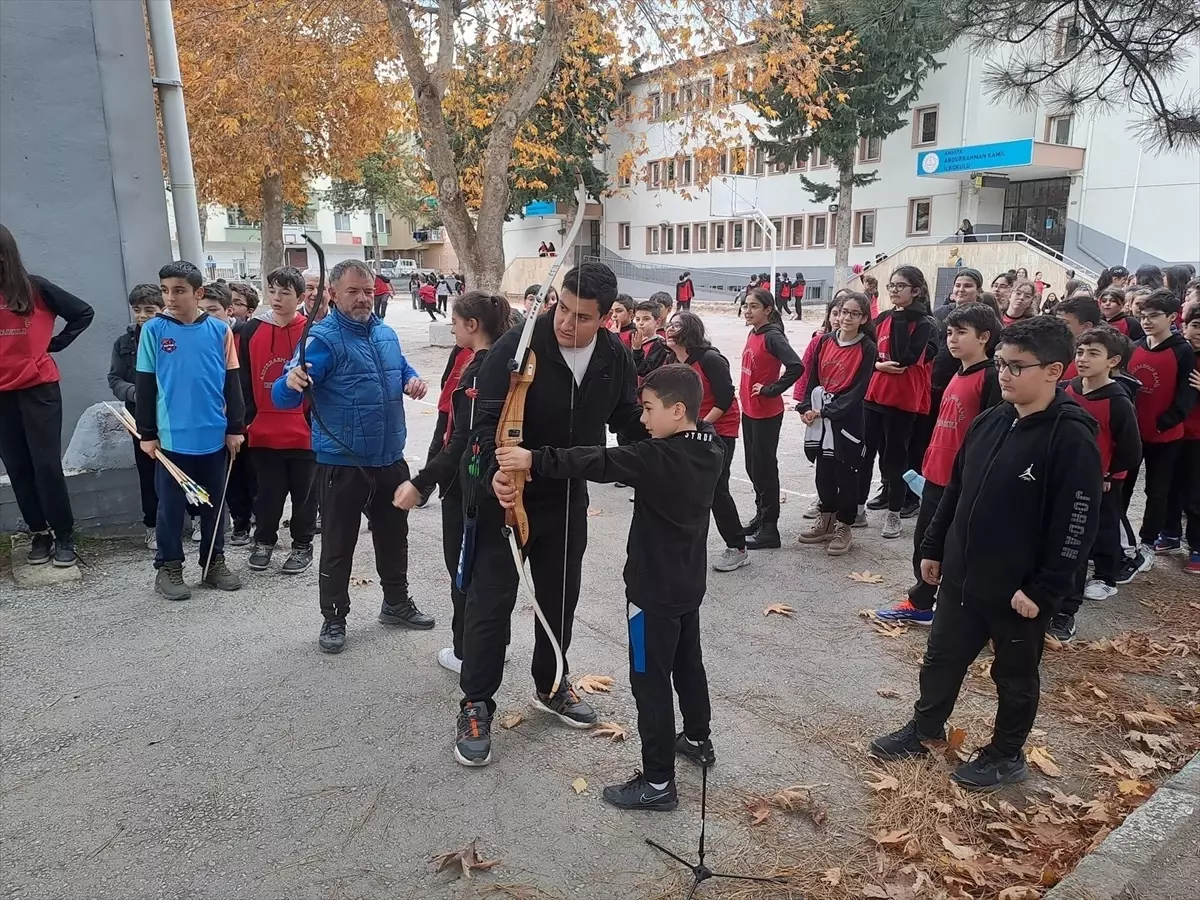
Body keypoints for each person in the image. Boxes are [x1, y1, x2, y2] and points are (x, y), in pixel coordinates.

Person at [870, 316, 1102, 790]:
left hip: (1018, 590)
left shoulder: (1071, 435)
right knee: (941, 657)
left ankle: (1005, 753)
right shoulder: (992, 420)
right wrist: (933, 547)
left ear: (1055, 370)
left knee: (1014, 676)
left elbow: (1077, 522)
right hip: (962, 574)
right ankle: (925, 727)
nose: (1005, 374)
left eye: (1018, 367)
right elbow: (955, 491)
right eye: (1001, 363)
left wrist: (1045, 588)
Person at [495, 364, 720, 809]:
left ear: (678, 411)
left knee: (649, 682)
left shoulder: (658, 458)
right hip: (687, 585)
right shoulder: (713, 447)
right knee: (687, 663)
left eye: (649, 409)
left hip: (651, 593)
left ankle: (658, 784)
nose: (642, 419)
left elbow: (599, 460)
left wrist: (532, 458)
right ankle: (697, 739)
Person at [451, 262, 648, 768]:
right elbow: (482, 424)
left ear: (607, 318)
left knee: (560, 598)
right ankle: (476, 702)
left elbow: (627, 419)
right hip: (508, 496)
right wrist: (490, 473)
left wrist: (666, 446)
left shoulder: (614, 358)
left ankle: (552, 683)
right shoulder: (518, 345)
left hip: (565, 498)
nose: (565, 322)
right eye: (562, 307)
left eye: (581, 316)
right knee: (490, 603)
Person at [273, 259, 433, 653]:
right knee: (339, 543)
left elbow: (401, 369)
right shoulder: (321, 340)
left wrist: (412, 380)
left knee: (395, 538)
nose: (363, 298)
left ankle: (395, 603)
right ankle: (333, 617)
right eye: (353, 291)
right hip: (342, 462)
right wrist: (289, 381)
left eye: (368, 291)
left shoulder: (387, 334)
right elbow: (284, 391)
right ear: (332, 294)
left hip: (389, 458)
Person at [395, 292, 513, 673]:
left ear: (472, 326)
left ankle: (468, 651)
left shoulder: (480, 371)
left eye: (456, 322)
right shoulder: (507, 363)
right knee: (488, 569)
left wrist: (421, 481)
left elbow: (462, 440)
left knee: (465, 568)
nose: (451, 327)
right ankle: (493, 643)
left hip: (471, 484)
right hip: (493, 479)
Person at [878, 303, 1003, 625]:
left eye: (962, 333)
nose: (952, 339)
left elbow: (990, 435)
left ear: (985, 337)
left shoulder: (990, 377)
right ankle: (921, 601)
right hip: (936, 475)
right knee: (925, 544)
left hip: (961, 481)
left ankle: (956, 609)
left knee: (956, 548)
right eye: (949, 333)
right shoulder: (956, 373)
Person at [136, 261, 244, 599]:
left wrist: (235, 427)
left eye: (179, 290)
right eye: (165, 290)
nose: (170, 297)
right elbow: (145, 384)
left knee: (214, 504)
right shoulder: (153, 331)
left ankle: (213, 562)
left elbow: (232, 382)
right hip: (171, 438)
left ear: (198, 293)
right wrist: (147, 432)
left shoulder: (219, 330)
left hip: (213, 434)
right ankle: (168, 568)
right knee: (170, 508)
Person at [0, 225, 94, 567]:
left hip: (38, 389)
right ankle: (39, 533)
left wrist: (53, 344)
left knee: (45, 466)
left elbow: (83, 312)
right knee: (17, 466)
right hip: (2, 395)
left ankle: (65, 535)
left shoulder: (34, 288)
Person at [1059, 328, 1141, 638]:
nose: (1082, 359)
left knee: (1079, 542)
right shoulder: (1068, 389)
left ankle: (1068, 609)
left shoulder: (1118, 401)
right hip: (1062, 477)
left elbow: (1131, 450)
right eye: (1080, 352)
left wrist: (1108, 475)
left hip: (1099, 483)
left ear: (1113, 361)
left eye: (1093, 354)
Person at [239, 266, 317, 575]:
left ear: (299, 298)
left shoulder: (313, 330)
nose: (277, 298)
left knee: (305, 494)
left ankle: (302, 545)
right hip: (263, 430)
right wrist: (247, 419)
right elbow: (241, 377)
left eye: (285, 292)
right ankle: (264, 541)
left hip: (304, 430)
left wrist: (314, 421)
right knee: (268, 493)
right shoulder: (251, 330)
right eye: (272, 291)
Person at [665, 311, 748, 572]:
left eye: (676, 325)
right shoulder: (671, 359)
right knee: (686, 486)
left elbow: (725, 399)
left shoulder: (711, 359)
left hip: (719, 428)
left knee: (716, 487)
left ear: (690, 330)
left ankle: (737, 547)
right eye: (669, 324)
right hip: (692, 428)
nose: (669, 329)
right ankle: (684, 543)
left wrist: (701, 427)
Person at [795, 292, 877, 556]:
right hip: (821, 414)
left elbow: (858, 390)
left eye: (854, 314)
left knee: (846, 470)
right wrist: (806, 406)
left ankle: (845, 524)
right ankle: (827, 518)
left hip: (847, 418)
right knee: (824, 469)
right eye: (843, 312)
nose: (846, 318)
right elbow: (813, 379)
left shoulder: (867, 348)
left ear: (864, 318)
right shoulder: (824, 341)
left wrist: (827, 411)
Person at [863, 266, 936, 540]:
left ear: (915, 291)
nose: (893, 290)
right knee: (867, 453)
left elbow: (903, 357)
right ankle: (858, 508)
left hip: (903, 401)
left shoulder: (925, 324)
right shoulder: (882, 318)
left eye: (900, 286)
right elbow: (869, 354)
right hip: (874, 396)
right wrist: (878, 366)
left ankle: (895, 513)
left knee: (896, 459)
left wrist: (905, 316)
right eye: (891, 285)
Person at [1128, 289, 1197, 556]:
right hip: (1133, 434)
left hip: (1166, 436)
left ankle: (1148, 540)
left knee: (1157, 491)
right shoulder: (1133, 347)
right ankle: (1121, 539)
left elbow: (1185, 397)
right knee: (1125, 488)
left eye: (1154, 316)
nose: (1146, 321)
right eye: (1143, 315)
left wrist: (1162, 423)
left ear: (1172, 317)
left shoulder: (1183, 352)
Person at [739, 288, 804, 550]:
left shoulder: (773, 336)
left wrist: (771, 389)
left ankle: (770, 529)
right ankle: (761, 516)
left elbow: (796, 366)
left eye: (754, 306)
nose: (748, 310)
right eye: (746, 306)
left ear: (767, 310)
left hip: (766, 413)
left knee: (765, 469)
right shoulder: (753, 332)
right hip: (749, 410)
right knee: (752, 468)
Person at [198, 281, 255, 544]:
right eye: (202, 310)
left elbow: (247, 379)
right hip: (213, 418)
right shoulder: (196, 335)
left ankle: (258, 519)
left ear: (229, 311)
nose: (206, 316)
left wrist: (244, 416)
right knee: (230, 475)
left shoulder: (246, 334)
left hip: (245, 417)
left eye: (213, 310)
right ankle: (240, 522)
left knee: (251, 472)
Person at [109, 284, 164, 551]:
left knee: (184, 465)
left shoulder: (171, 338)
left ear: (162, 310)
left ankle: (196, 518)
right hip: (139, 416)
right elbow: (115, 378)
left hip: (171, 414)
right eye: (137, 310)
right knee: (148, 470)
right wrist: (134, 393)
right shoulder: (124, 343)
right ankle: (152, 526)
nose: (142, 315)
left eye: (149, 310)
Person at [1170, 307, 1200, 574]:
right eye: (1195, 325)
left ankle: (1197, 547)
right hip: (1173, 432)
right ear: (1184, 326)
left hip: (1197, 436)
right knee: (1171, 487)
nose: (1199, 332)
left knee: (1194, 493)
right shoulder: (1177, 352)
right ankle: (1169, 535)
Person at [1054, 295, 1104, 381]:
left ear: (1087, 327)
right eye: (1056, 321)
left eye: (1064, 322)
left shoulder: (1094, 362)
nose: (1056, 326)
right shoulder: (1051, 345)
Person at [631, 299, 671, 377]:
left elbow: (644, 370)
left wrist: (637, 350)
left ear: (658, 322)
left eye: (646, 319)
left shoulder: (660, 344)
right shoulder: (636, 339)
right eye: (638, 319)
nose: (640, 323)